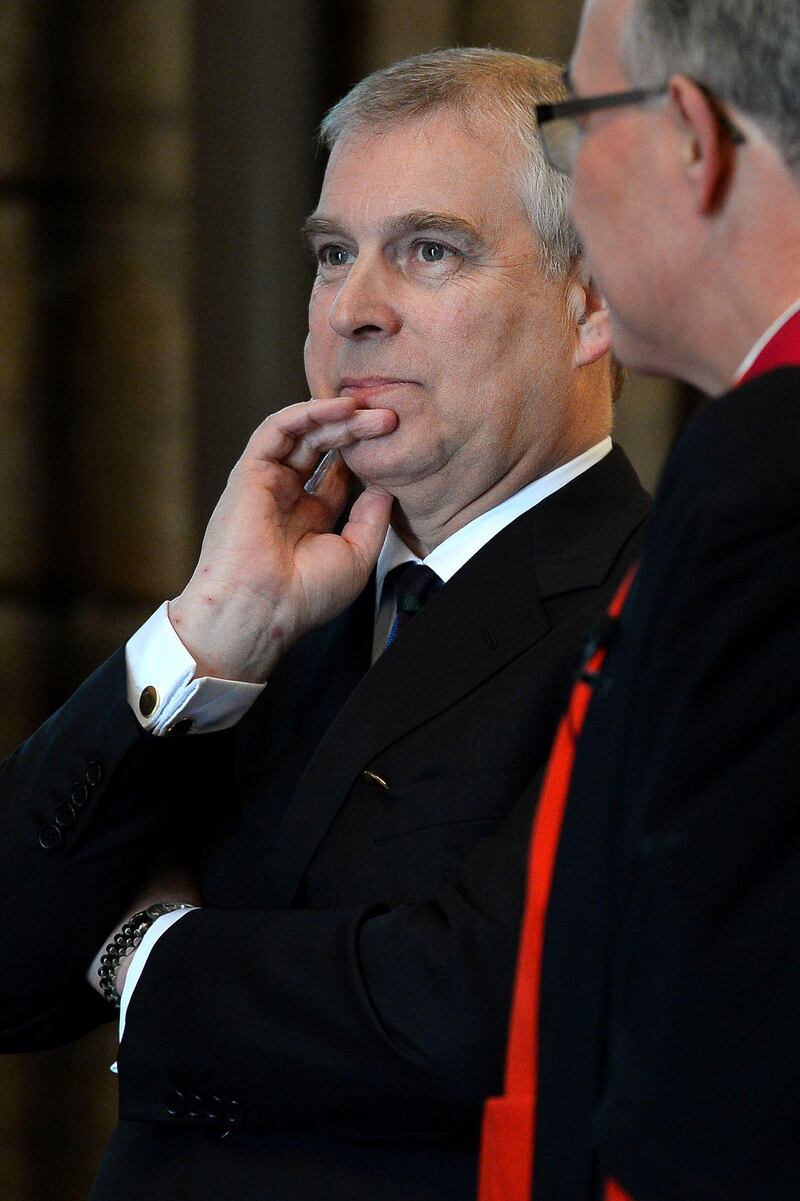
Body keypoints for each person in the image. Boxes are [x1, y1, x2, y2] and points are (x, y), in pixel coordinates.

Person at [0, 50, 649, 1201]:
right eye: (332, 254)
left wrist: (144, 955)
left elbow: (477, 1010)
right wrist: (203, 636)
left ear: (589, 298)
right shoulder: (276, 602)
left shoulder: (652, 598)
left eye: (428, 249)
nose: (353, 309)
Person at [479, 3, 800, 1200]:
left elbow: (713, 1067)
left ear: (686, 135)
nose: (570, 185)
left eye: (574, 118)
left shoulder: (762, 477)